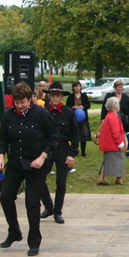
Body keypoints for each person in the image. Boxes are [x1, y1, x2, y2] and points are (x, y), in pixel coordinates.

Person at [0, 83, 60, 257]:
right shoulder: (9, 115)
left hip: (36, 164)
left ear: (30, 99)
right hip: (16, 162)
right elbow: (4, 139)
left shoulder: (41, 114)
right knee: (6, 196)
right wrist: (1, 156)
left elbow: (54, 135)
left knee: (31, 202)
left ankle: (34, 241)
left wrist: (43, 156)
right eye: (16, 102)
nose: (19, 105)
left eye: (22, 102)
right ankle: (14, 232)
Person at [40, 82, 78, 224]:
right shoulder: (43, 111)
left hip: (63, 149)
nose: (54, 98)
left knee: (61, 182)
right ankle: (49, 207)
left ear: (62, 96)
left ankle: (58, 212)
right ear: (48, 96)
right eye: (52, 95)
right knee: (40, 179)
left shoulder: (68, 112)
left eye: (57, 95)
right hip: (47, 150)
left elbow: (75, 135)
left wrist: (72, 153)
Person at [97, 97, 127, 186]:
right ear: (115, 107)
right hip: (112, 144)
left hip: (108, 143)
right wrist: (120, 143)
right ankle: (119, 179)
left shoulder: (109, 115)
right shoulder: (113, 117)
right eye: (118, 104)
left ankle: (101, 179)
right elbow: (115, 132)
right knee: (119, 160)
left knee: (106, 161)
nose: (119, 105)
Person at [66, 80, 91, 158]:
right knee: (75, 134)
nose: (77, 88)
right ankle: (75, 150)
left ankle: (83, 152)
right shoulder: (70, 96)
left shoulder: (84, 95)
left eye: (79, 86)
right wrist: (73, 107)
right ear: (73, 88)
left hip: (83, 118)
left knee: (84, 134)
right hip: (74, 117)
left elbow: (88, 105)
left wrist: (83, 107)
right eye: (76, 86)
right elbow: (67, 106)